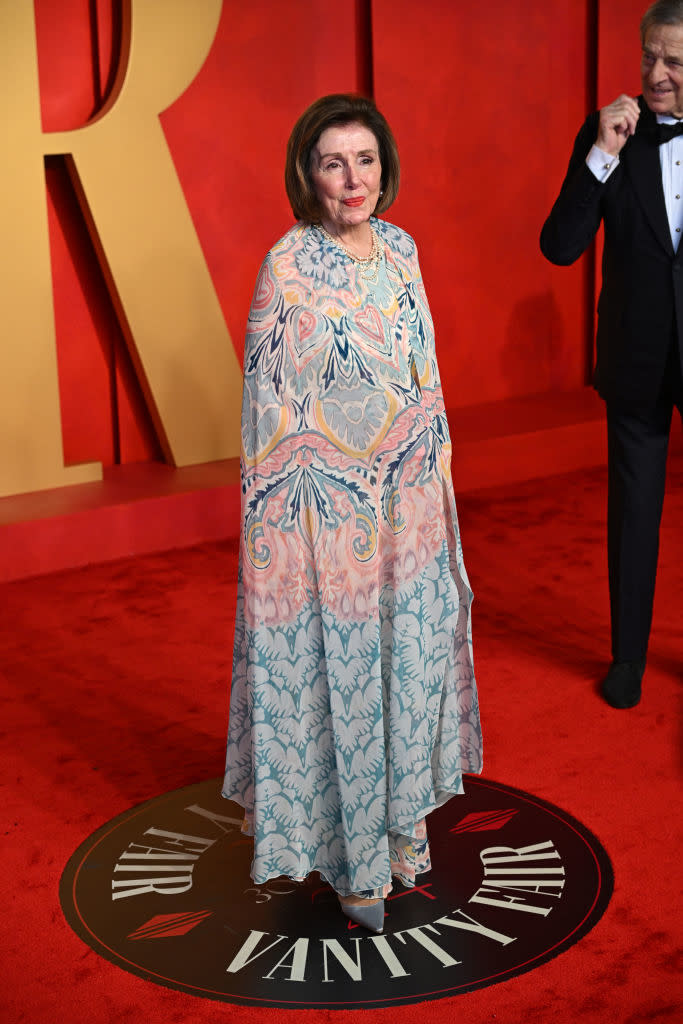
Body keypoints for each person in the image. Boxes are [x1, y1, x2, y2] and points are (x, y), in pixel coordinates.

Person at [222, 94, 482, 933]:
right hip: (326, 524)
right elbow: (266, 415)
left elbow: (426, 377)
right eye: (332, 163)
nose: (351, 179)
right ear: (307, 173)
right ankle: (350, 865)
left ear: (383, 165)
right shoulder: (286, 266)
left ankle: (400, 839)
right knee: (342, 685)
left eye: (363, 159)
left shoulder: (402, 250)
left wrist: (438, 498)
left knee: (402, 673)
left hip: (407, 514)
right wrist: (280, 537)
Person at [540, 0, 683, 710]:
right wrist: (600, 155)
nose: (655, 75)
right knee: (634, 511)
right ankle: (626, 658)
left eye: (674, 63)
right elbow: (560, 245)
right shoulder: (610, 138)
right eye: (648, 58)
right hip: (635, 356)